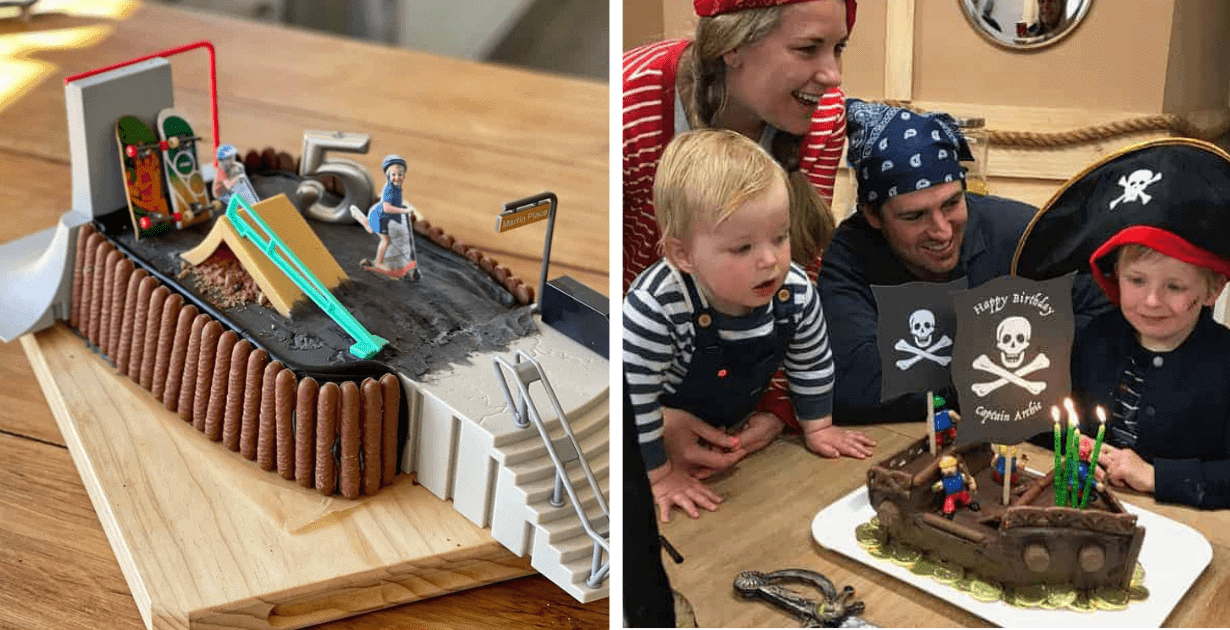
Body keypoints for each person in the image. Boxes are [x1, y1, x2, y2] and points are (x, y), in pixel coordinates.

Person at [623, 0, 857, 482]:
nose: (831, 75)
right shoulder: (629, 101)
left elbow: (798, 280)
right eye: (808, 48)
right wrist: (647, 425)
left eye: (838, 48)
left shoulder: (826, 115)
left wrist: (775, 405)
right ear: (733, 46)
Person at [624, 129, 874, 522]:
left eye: (779, 237)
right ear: (682, 254)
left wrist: (818, 427)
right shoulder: (656, 308)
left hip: (741, 452)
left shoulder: (794, 293)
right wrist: (658, 477)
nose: (770, 261)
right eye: (743, 248)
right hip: (655, 451)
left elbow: (811, 363)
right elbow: (632, 402)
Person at [818, 98, 1108, 425]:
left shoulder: (1023, 233)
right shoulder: (851, 251)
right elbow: (853, 386)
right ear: (872, 215)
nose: (941, 231)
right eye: (915, 216)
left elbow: (1104, 319)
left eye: (952, 203)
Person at [1015, 139, 1230, 509]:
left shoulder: (1224, 364)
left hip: (1187, 526)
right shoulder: (1090, 338)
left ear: (1213, 290)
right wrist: (1073, 444)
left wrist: (1157, 476)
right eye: (1136, 280)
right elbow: (1036, 419)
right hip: (1084, 510)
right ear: (1114, 275)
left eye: (1175, 286)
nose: (1151, 300)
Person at [349, 154, 417, 273]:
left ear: (404, 176)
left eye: (400, 175)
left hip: (384, 218)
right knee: (386, 240)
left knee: (372, 230)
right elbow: (387, 208)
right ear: (388, 176)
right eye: (393, 175)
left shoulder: (397, 188)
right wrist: (404, 211)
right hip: (380, 217)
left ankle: (359, 216)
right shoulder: (389, 189)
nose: (397, 177)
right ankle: (378, 263)